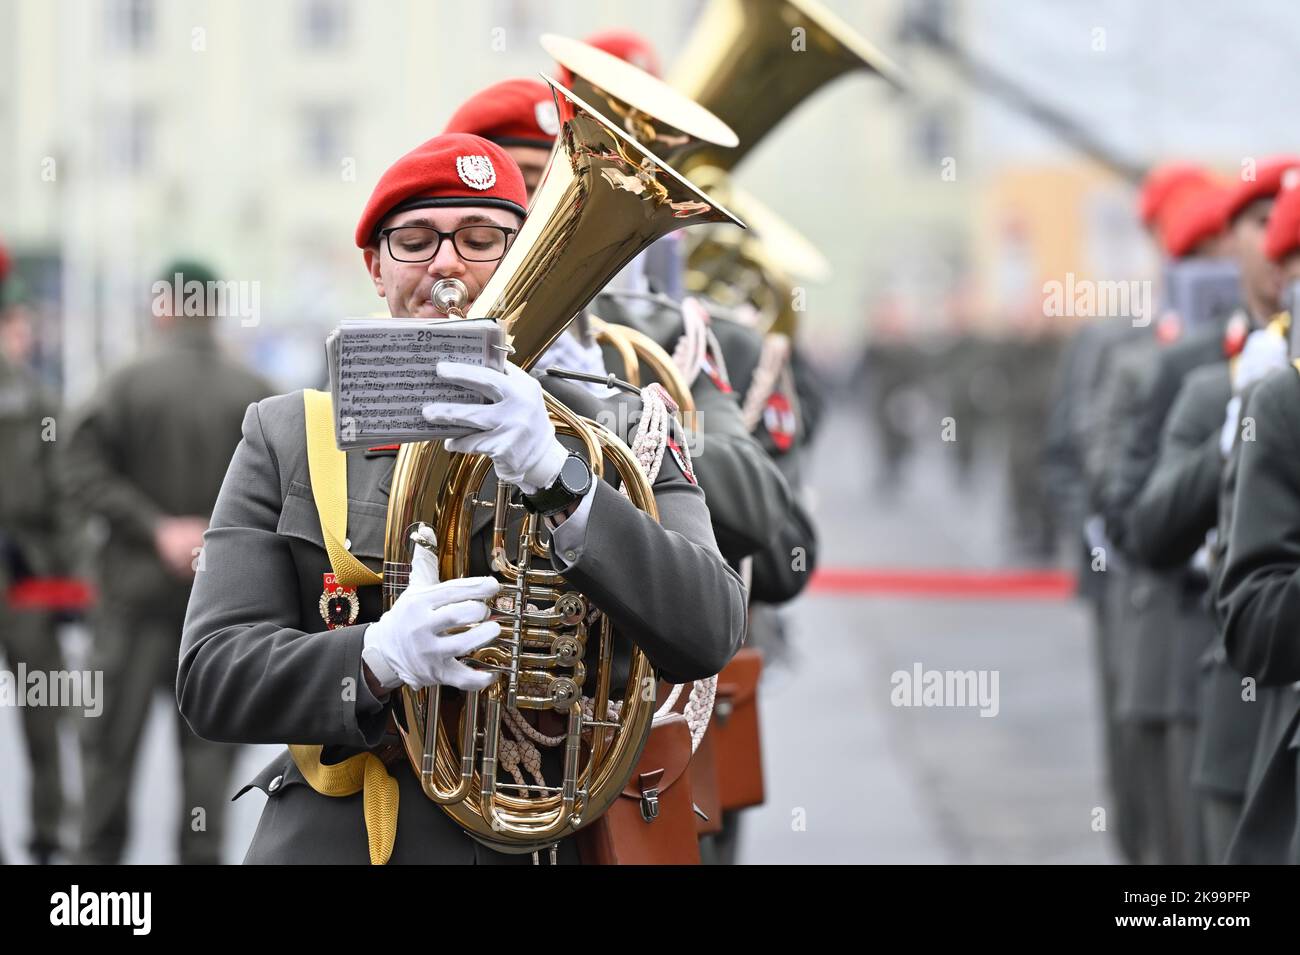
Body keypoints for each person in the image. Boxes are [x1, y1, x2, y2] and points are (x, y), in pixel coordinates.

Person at [177, 133, 747, 864]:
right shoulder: (288, 432)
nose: (447, 264)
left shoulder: (625, 424)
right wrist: (375, 657)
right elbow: (211, 675)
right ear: (376, 269)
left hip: (550, 838)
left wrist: (558, 476)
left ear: (526, 260)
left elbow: (709, 629)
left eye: (481, 239)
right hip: (350, 839)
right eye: (415, 240)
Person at [61, 260, 272, 864]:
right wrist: (217, 534)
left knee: (107, 760)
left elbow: (78, 470)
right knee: (207, 767)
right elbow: (284, 499)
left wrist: (154, 528)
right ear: (217, 306)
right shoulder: (254, 391)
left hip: (130, 604)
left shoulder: (124, 383)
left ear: (164, 305)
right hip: (218, 613)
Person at [0, 241, 66, 863]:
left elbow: (63, 495)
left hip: (28, 571)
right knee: (43, 709)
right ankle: (50, 834)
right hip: (30, 571)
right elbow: (63, 499)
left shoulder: (38, 398)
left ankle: (50, 832)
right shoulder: (33, 397)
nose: (23, 334)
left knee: (44, 709)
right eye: (16, 324)